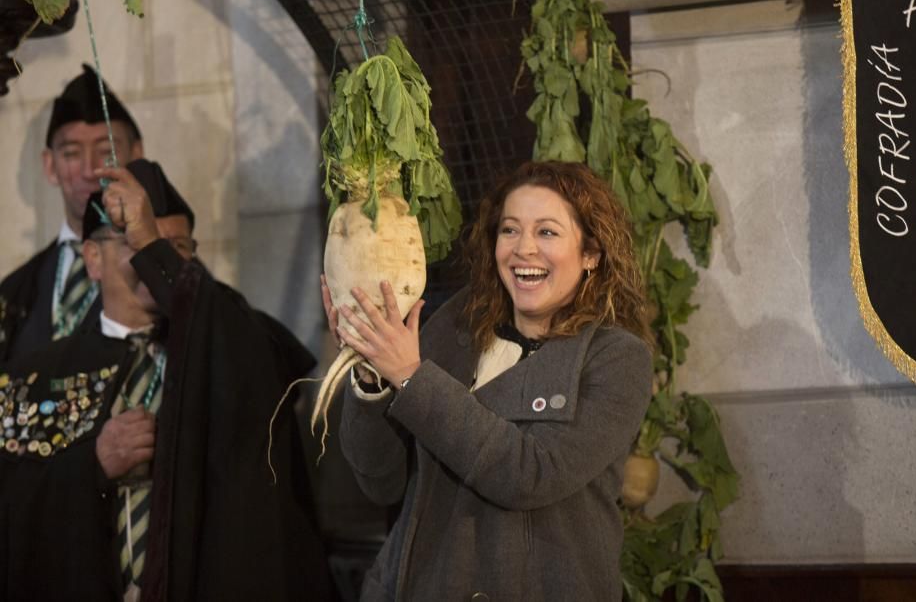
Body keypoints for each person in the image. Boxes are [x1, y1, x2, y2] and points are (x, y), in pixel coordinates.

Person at [0, 159, 332, 601]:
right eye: (131, 241)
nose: (155, 258)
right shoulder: (33, 375)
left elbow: (251, 360)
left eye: (174, 245)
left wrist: (149, 243)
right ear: (93, 260)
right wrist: (90, 465)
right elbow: (13, 508)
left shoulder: (230, 345)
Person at [330, 160, 654, 601]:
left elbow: (531, 475)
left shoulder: (615, 359)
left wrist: (409, 374)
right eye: (510, 230)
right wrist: (371, 374)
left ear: (591, 254)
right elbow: (380, 481)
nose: (523, 249)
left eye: (547, 232)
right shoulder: (452, 327)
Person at [0, 64, 143, 361]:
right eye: (71, 154)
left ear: (137, 155)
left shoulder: (164, 274)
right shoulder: (14, 292)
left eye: (106, 151)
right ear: (50, 166)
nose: (90, 170)